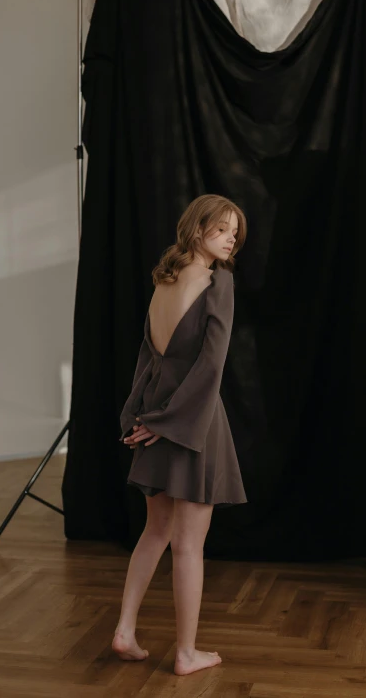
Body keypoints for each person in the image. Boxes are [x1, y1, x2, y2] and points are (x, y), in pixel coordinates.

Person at [112, 194, 248, 676]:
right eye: (223, 228)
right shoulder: (217, 283)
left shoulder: (163, 283)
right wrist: (167, 422)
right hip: (194, 423)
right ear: (197, 230)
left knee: (155, 531)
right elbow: (211, 366)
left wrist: (141, 416)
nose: (232, 237)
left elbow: (148, 360)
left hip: (158, 419)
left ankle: (125, 629)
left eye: (235, 230)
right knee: (188, 545)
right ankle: (186, 653)